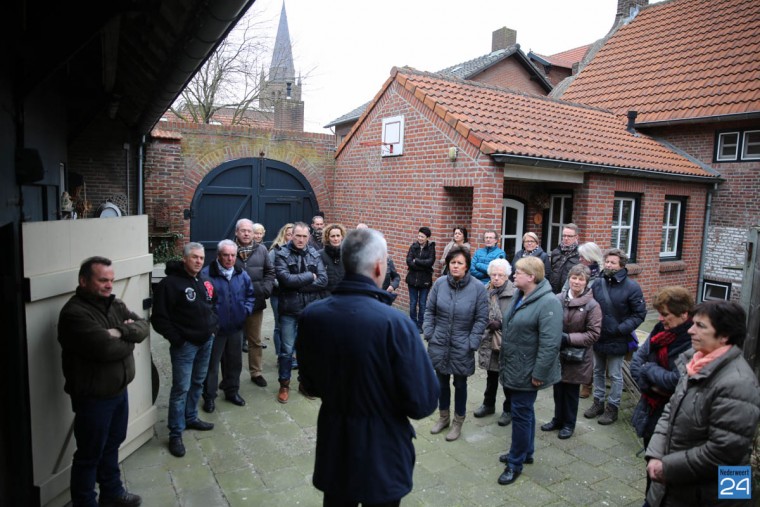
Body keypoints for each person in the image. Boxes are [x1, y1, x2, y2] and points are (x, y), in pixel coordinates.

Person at [297, 228, 439, 507]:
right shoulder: (396, 325)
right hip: (382, 452)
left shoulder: (312, 316)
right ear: (378, 266)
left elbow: (309, 385)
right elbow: (423, 402)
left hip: (335, 446)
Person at [645, 300, 760, 507]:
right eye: (693, 323)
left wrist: (666, 467)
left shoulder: (739, 383)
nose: (690, 330)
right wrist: (655, 455)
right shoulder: (695, 364)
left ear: (724, 336)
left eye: (700, 326)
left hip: (706, 495)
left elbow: (723, 452)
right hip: (674, 485)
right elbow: (670, 410)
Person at [57, 256, 149, 507]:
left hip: (118, 392)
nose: (109, 285)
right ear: (84, 281)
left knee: (112, 445)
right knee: (89, 455)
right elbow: (104, 349)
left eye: (111, 279)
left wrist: (120, 332)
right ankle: (85, 502)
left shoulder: (114, 304)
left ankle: (112, 493)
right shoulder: (74, 313)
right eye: (102, 280)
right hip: (93, 397)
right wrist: (128, 340)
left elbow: (143, 326)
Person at [497, 256, 562, 486]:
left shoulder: (548, 303)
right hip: (514, 366)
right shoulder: (520, 295)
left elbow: (551, 343)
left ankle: (515, 463)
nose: (513, 275)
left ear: (531, 277)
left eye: (518, 272)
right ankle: (527, 452)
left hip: (528, 370)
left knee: (521, 414)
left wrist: (539, 374)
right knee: (524, 411)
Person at [151, 242, 218, 458]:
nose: (199, 261)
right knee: (181, 388)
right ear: (185, 259)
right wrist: (178, 339)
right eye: (194, 257)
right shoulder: (170, 284)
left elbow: (212, 304)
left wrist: (213, 327)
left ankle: (191, 417)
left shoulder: (204, 280)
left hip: (206, 341)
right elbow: (159, 318)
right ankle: (175, 433)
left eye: (201, 258)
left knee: (198, 382)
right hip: (185, 346)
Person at [630, 286, 693, 497]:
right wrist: (649, 383)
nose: (695, 331)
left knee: (668, 483)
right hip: (655, 413)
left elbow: (677, 381)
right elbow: (638, 360)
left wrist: (649, 370)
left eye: (665, 314)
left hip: (676, 427)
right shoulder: (659, 330)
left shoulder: (691, 343)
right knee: (653, 474)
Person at [425, 245, 489, 441]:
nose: (455, 266)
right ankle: (443, 417)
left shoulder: (478, 288)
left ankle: (457, 422)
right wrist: (429, 332)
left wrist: (472, 341)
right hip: (439, 342)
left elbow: (481, 318)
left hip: (463, 344)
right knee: (441, 383)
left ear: (467, 266)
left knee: (460, 385)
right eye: (452, 262)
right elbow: (430, 311)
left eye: (459, 263)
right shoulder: (440, 284)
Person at [584, 248, 646, 425]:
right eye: (607, 262)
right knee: (597, 371)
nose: (609, 265)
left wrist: (620, 329)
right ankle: (598, 402)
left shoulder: (632, 287)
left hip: (618, 337)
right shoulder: (597, 283)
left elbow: (639, 314)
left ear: (621, 265)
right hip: (598, 335)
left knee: (615, 374)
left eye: (613, 262)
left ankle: (613, 407)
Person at [540, 264, 601, 440]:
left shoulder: (592, 305)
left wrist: (567, 338)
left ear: (586, 282)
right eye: (574, 277)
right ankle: (557, 419)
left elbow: (593, 334)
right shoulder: (558, 298)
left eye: (580, 279)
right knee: (558, 389)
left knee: (571, 392)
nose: (576, 281)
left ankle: (569, 424)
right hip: (557, 353)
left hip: (577, 356)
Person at [274, 221, 327, 403]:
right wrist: (308, 277)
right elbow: (285, 280)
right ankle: (284, 384)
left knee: (307, 350)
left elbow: (323, 280)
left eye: (305, 236)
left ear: (309, 237)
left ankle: (304, 383)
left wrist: (298, 286)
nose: (301, 239)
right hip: (289, 309)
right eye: (298, 236)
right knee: (287, 350)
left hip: (310, 309)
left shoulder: (314, 254)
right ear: (292, 235)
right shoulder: (282, 254)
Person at [201, 240, 255, 412]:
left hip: (236, 328)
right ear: (218, 256)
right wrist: (211, 321)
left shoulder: (241, 273)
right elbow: (203, 303)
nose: (230, 259)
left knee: (234, 363)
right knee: (212, 366)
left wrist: (245, 311)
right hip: (215, 330)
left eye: (233, 255)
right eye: (226, 255)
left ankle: (232, 391)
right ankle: (209, 397)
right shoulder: (206, 275)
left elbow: (250, 295)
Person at [474, 258, 515, 426]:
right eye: (493, 274)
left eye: (500, 275)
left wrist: (501, 323)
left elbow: (519, 318)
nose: (496, 278)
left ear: (507, 276)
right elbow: (477, 313)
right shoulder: (485, 291)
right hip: (489, 340)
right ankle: (488, 404)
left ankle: (508, 410)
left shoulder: (515, 293)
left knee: (507, 379)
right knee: (491, 375)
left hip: (507, 342)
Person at [235, 220, 275, 387]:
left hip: (255, 302)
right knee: (233, 342)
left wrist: (265, 290)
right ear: (236, 232)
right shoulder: (228, 249)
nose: (246, 234)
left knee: (255, 340)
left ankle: (256, 372)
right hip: (234, 304)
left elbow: (270, 271)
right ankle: (231, 376)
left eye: (249, 231)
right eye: (243, 231)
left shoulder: (262, 250)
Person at [572, 241, 604, 399]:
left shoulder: (600, 275)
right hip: (575, 312)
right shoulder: (578, 272)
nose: (580, 259)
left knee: (589, 352)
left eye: (582, 257)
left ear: (591, 258)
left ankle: (587, 384)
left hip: (591, 313)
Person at [268, 223, 294, 357]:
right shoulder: (275, 251)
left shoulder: (299, 252)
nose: (291, 237)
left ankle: (291, 354)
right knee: (279, 325)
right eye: (289, 234)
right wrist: (281, 284)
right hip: (278, 294)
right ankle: (280, 355)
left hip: (294, 294)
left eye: (293, 235)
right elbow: (270, 272)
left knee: (292, 326)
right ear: (283, 235)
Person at [405, 226, 436, 332]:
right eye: (419, 236)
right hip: (412, 279)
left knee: (423, 303)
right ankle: (412, 324)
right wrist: (422, 265)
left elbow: (430, 262)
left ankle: (420, 325)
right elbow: (409, 261)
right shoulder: (413, 247)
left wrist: (416, 261)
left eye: (422, 236)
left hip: (425, 280)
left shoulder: (431, 248)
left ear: (427, 237)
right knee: (413, 303)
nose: (420, 238)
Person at [549, 223, 580, 293]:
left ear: (576, 237)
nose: (566, 238)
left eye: (569, 236)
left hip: (570, 292)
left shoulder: (580, 255)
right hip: (553, 291)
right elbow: (551, 271)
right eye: (564, 235)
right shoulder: (556, 252)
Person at [319, 223, 347, 293]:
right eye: (332, 236)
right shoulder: (319, 255)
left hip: (344, 295)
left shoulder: (348, 255)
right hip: (325, 297)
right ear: (327, 238)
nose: (336, 239)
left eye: (338, 236)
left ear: (342, 237)